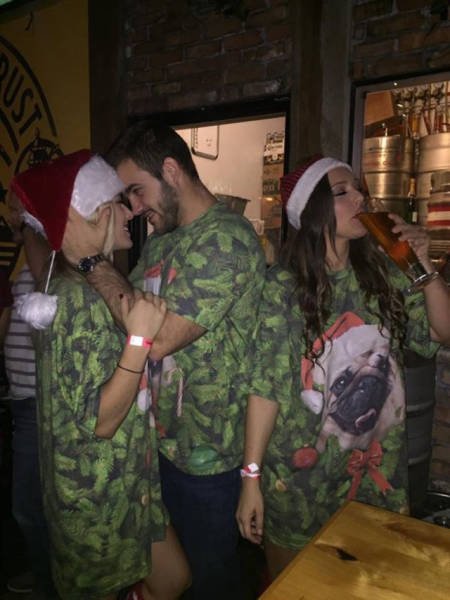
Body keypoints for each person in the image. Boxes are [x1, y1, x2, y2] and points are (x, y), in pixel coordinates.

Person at [60, 122, 266, 599]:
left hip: (207, 461)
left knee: (208, 585)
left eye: (137, 190)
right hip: (157, 448)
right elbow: (126, 316)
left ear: (171, 171)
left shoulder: (227, 239)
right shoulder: (161, 241)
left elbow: (155, 338)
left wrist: (90, 261)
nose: (133, 208)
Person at [236, 155, 450, 580]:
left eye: (359, 190)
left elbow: (442, 332)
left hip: (375, 479)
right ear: (312, 210)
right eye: (342, 192)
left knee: (369, 585)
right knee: (295, 585)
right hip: (299, 483)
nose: (359, 199)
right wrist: (250, 479)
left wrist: (423, 264)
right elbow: (266, 389)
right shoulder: (283, 288)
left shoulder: (385, 273)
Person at [11, 150, 191, 600]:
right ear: (95, 214)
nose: (131, 212)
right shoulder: (77, 301)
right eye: (119, 203)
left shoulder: (84, 288)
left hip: (127, 480)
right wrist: (139, 341)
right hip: (96, 495)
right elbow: (101, 420)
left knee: (173, 579)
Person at [3, 191, 56, 599]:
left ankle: (49, 582)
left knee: (29, 505)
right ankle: (47, 576)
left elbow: (47, 284)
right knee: (31, 504)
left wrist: (26, 226)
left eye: (13, 203)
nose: (7, 212)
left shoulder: (52, 253)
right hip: (21, 397)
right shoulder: (22, 256)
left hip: (40, 401)